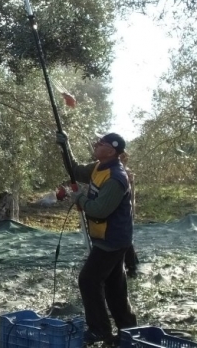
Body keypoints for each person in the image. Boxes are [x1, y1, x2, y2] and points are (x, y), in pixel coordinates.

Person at [56, 131, 137, 345]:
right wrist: (66, 146)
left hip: (112, 240)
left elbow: (100, 210)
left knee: (89, 279)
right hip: (106, 237)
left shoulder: (116, 178)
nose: (96, 143)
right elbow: (74, 169)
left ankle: (99, 330)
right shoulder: (98, 167)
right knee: (114, 286)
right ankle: (128, 329)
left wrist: (79, 197)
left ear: (111, 150)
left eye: (100, 143)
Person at [119, 152, 139, 278]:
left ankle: (131, 266)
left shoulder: (125, 172)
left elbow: (130, 195)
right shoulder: (120, 171)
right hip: (123, 210)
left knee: (125, 239)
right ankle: (131, 264)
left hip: (124, 211)